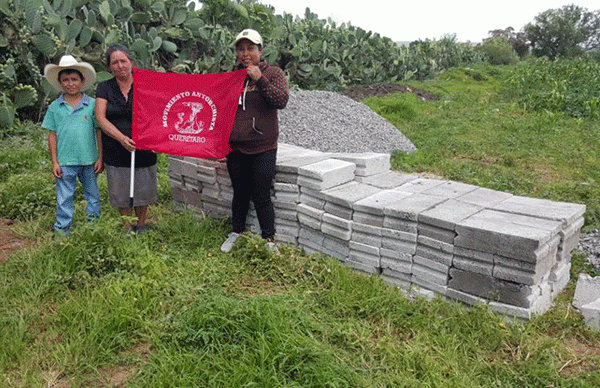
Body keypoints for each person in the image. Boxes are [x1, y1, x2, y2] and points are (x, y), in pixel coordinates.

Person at [220, 29, 289, 253]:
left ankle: (269, 239)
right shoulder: (232, 77)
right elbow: (220, 110)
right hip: (236, 147)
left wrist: (260, 80)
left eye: (251, 48)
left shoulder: (274, 73)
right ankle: (236, 231)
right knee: (239, 193)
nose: (246, 53)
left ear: (260, 50)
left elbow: (281, 100)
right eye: (241, 49)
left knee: (261, 195)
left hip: (263, 147)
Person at [95, 44, 157, 233]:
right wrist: (121, 138)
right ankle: (127, 226)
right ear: (109, 67)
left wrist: (153, 137)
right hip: (115, 146)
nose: (120, 65)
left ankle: (141, 224)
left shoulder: (146, 83)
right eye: (115, 62)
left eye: (123, 60)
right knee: (120, 189)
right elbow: (100, 118)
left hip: (144, 145)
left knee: (143, 187)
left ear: (131, 61)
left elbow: (157, 111)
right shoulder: (104, 87)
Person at [42, 55, 102, 235]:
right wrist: (54, 161)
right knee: (64, 197)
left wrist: (100, 156)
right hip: (65, 161)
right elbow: (52, 134)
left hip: (89, 160)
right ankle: (62, 230)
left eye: (74, 79)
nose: (70, 83)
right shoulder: (55, 106)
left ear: (82, 81)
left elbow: (99, 130)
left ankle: (94, 228)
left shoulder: (91, 104)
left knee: (93, 196)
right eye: (65, 80)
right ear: (60, 83)